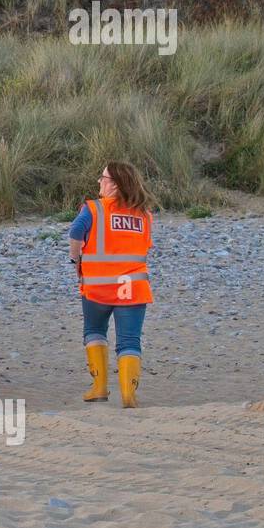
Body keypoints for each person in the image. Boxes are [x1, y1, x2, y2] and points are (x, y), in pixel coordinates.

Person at [68, 161, 155, 408]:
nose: (99, 182)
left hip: (98, 288)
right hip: (133, 288)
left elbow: (75, 232)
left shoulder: (94, 209)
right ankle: (129, 395)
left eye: (103, 178)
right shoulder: (145, 215)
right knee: (129, 341)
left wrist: (75, 259)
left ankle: (99, 388)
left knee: (94, 332)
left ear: (115, 184)